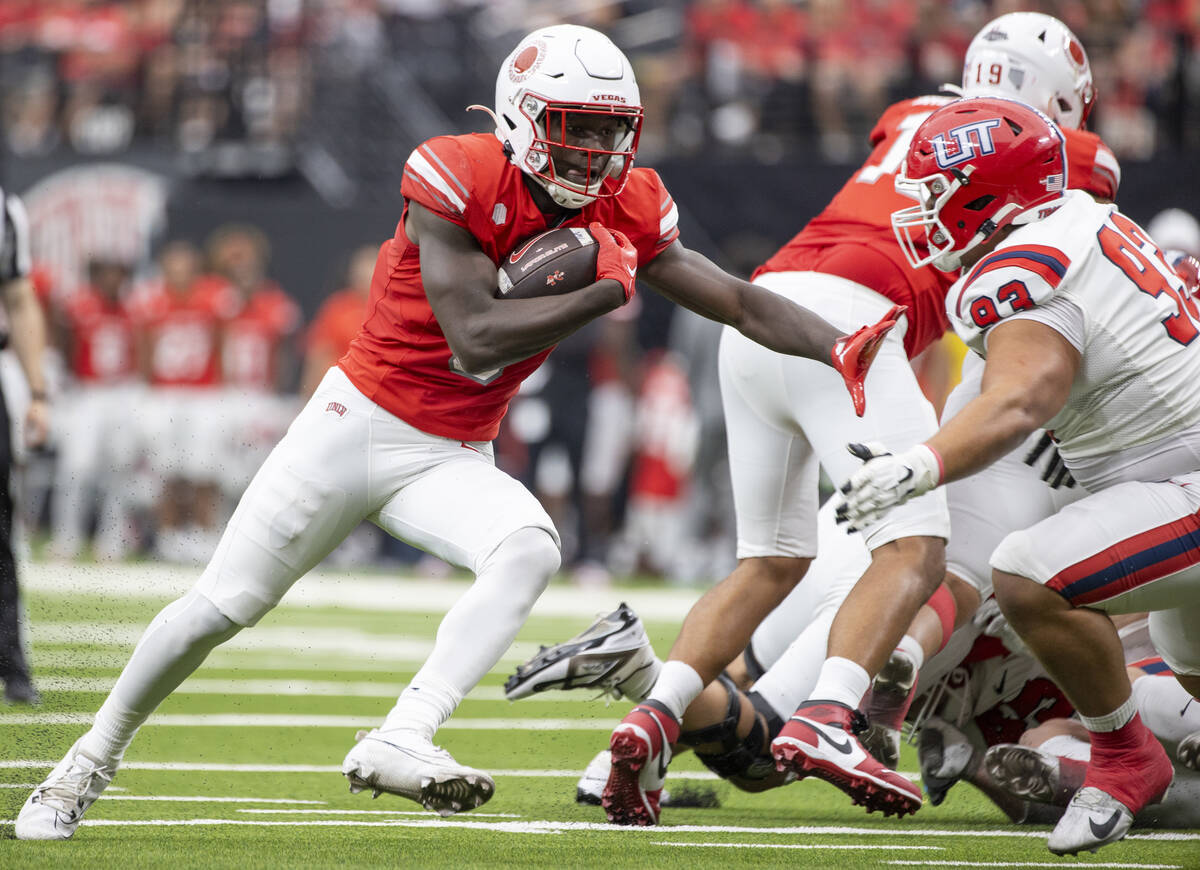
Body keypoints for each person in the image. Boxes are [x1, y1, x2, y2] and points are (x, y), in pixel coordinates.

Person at [14, 24, 894, 841]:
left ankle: (405, 733)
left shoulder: (627, 205)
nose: (594, 152)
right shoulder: (456, 172)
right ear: (519, 119)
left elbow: (738, 299)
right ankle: (85, 760)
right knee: (220, 609)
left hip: (451, 451)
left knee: (528, 547)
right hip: (355, 424)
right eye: (573, 127)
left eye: (607, 130)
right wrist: (606, 289)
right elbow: (475, 336)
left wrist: (839, 344)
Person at [599, 10, 1112, 825]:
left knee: (768, 560)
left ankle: (645, 726)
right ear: (1063, 97)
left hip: (765, 310)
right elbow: (1084, 248)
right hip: (854, 330)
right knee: (918, 547)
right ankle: (834, 712)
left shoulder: (910, 116)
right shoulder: (1064, 154)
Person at [836, 96, 1200, 856]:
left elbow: (1021, 397)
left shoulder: (1020, 267)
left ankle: (1125, 759)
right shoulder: (1079, 219)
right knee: (1190, 667)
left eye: (936, 190)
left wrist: (915, 468)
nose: (924, 211)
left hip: (1188, 485)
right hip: (1176, 482)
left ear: (983, 192)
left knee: (1027, 573)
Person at [0, 187, 51, 705]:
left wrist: (37, 390)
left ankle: (12, 663)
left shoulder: (5, 209)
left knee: (0, 529)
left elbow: (18, 297)